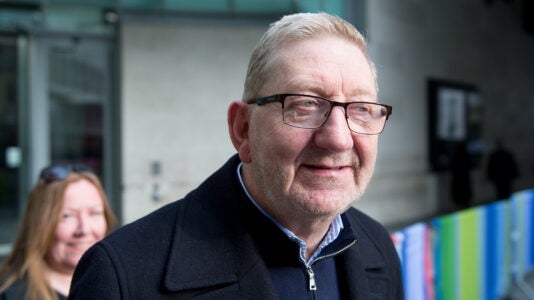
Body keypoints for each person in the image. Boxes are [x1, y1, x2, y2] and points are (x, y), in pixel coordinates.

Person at [69, 12, 404, 299]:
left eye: (360, 109)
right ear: (243, 128)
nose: (338, 139)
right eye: (305, 105)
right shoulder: (121, 277)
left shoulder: (378, 247)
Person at [0, 163, 117, 300]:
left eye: (94, 213)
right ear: (39, 225)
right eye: (66, 216)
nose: (84, 229)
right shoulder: (11, 295)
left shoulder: (120, 285)